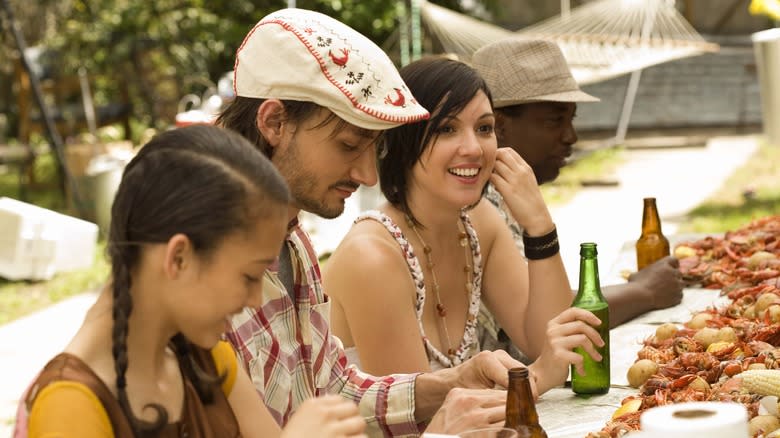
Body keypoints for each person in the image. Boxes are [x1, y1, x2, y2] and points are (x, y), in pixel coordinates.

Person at [218, 9, 524, 437]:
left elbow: (335, 389)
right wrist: (437, 433)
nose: (366, 175)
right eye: (348, 145)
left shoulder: (295, 244)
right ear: (274, 122)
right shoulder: (201, 264)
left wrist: (450, 384)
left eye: (373, 149)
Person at [19, 125, 368, 437]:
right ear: (179, 258)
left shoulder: (209, 360)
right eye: (249, 276)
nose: (254, 300)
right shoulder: (70, 405)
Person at [321, 56, 605, 396]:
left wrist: (540, 227)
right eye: (446, 129)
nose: (473, 148)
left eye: (484, 128)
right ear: (403, 138)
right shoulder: (371, 257)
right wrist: (538, 378)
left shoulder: (477, 222)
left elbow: (549, 342)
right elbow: (417, 419)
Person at [470, 38, 684, 358]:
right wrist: (644, 291)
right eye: (555, 120)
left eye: (572, 119)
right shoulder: (481, 206)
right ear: (497, 127)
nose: (571, 136)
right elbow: (546, 327)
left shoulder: (506, 196)